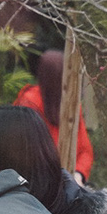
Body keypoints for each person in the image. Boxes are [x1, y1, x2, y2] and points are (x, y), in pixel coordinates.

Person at [15, 49, 93, 183]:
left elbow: (85, 151)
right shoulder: (30, 102)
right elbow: (21, 148)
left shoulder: (72, 104)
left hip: (63, 180)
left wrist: (78, 175)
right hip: (35, 180)